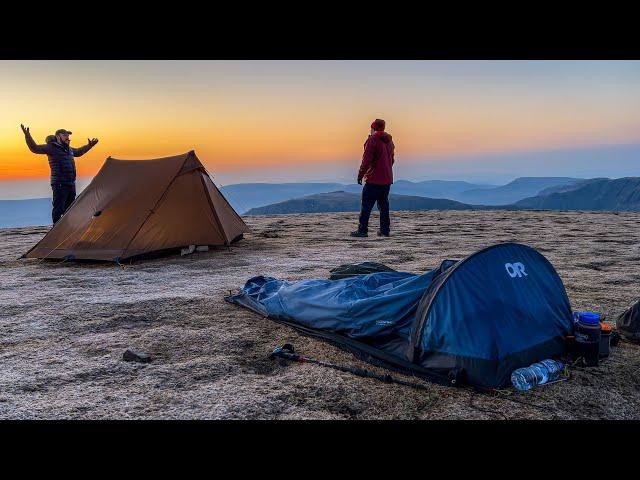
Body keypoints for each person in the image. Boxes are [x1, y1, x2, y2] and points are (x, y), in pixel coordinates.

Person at [21, 125, 98, 224]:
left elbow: (79, 152)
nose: (67, 137)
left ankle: (67, 230)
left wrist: (89, 145)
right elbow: (34, 148)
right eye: (64, 135)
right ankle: (56, 232)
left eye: (68, 135)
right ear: (58, 137)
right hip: (60, 184)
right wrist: (28, 136)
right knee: (58, 209)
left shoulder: (69, 149)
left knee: (70, 209)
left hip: (70, 184)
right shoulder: (51, 147)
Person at [350, 118, 395, 237]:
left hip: (374, 178)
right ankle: (385, 231)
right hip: (387, 179)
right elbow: (392, 160)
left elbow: (366, 161)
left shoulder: (372, 140)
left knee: (366, 204)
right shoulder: (389, 141)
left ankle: (362, 230)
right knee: (383, 205)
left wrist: (360, 175)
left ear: (373, 128)